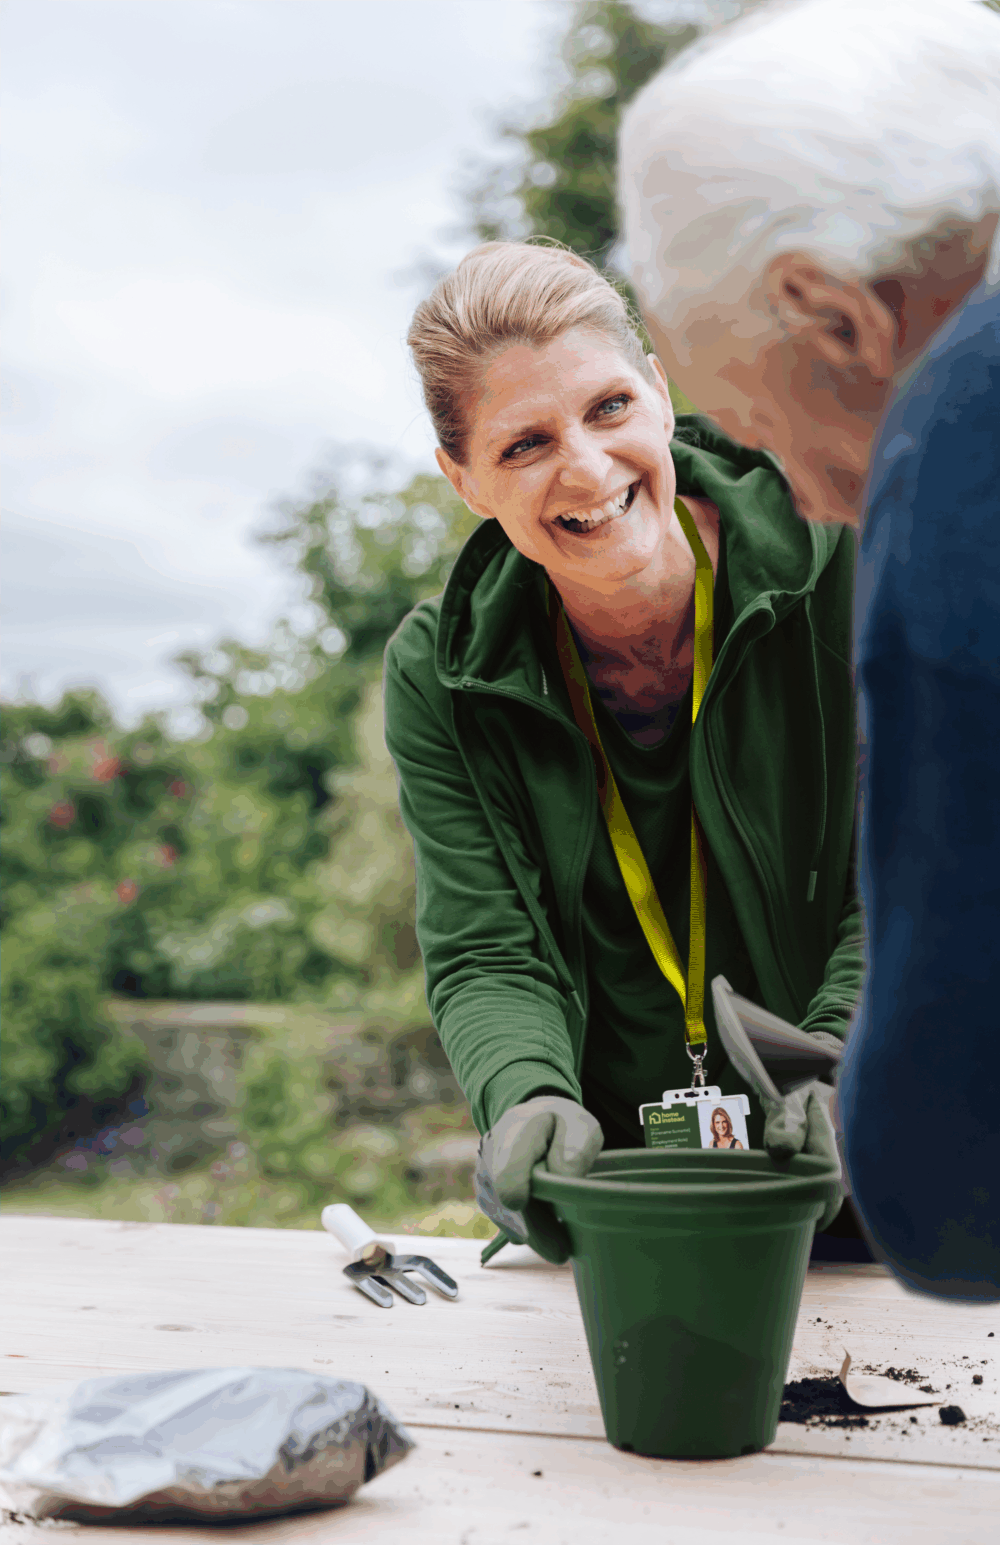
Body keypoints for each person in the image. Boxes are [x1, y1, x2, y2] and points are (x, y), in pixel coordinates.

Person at [619, 0, 1000, 1296]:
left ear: (836, 315)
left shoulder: (965, 415)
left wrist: (872, 1108)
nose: (819, 502)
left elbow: (961, 1191)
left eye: (767, 438)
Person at [385, 240, 858, 1262]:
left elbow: (933, 869)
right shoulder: (440, 674)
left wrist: (842, 1062)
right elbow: (484, 945)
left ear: (657, 391)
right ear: (463, 480)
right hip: (624, 1216)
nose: (587, 468)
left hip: (880, 1177)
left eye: (607, 408)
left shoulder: (847, 561)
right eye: (524, 444)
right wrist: (525, 1100)